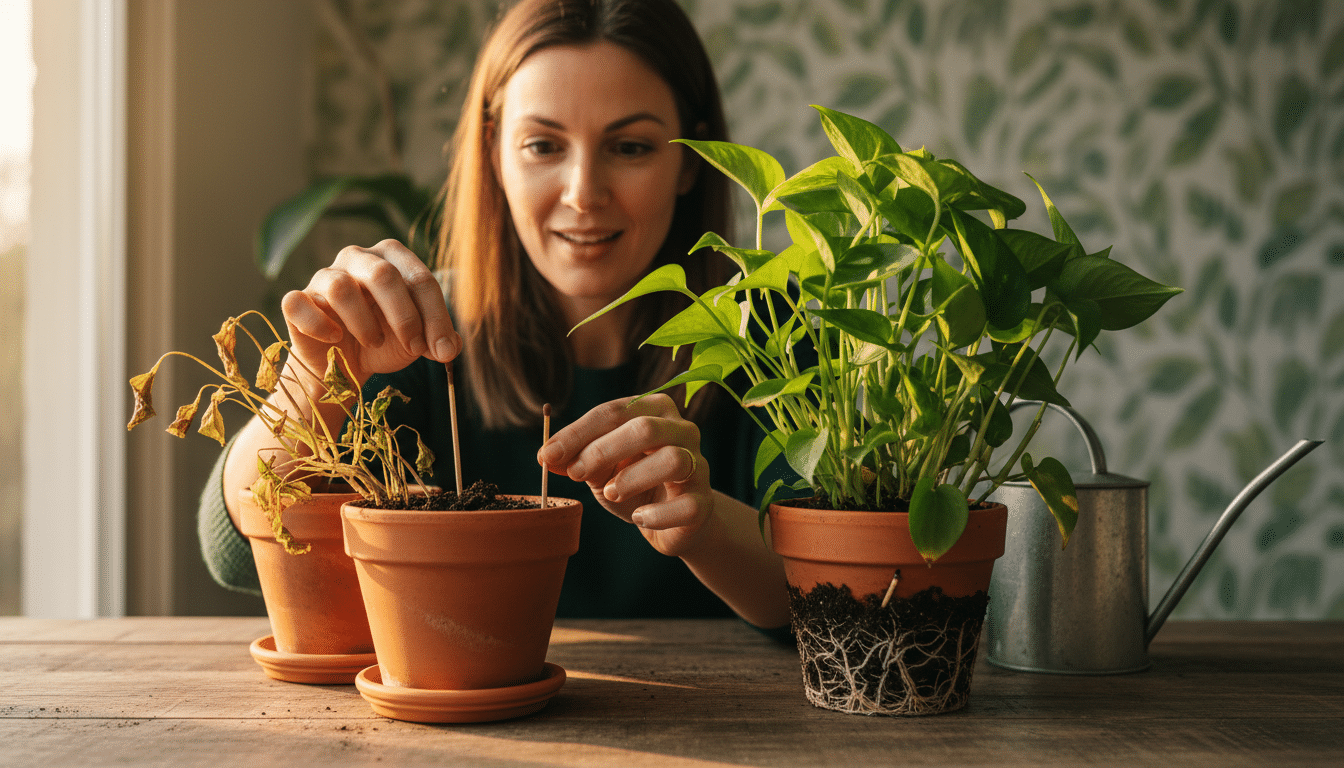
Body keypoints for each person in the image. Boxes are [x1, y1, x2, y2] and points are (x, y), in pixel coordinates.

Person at [198, 0, 793, 632]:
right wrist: (315, 381)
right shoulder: (415, 334)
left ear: (690, 163)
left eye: (631, 146)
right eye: (542, 145)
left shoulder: (767, 334)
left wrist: (705, 527)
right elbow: (235, 550)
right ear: (494, 153)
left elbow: (837, 598)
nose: (584, 193)